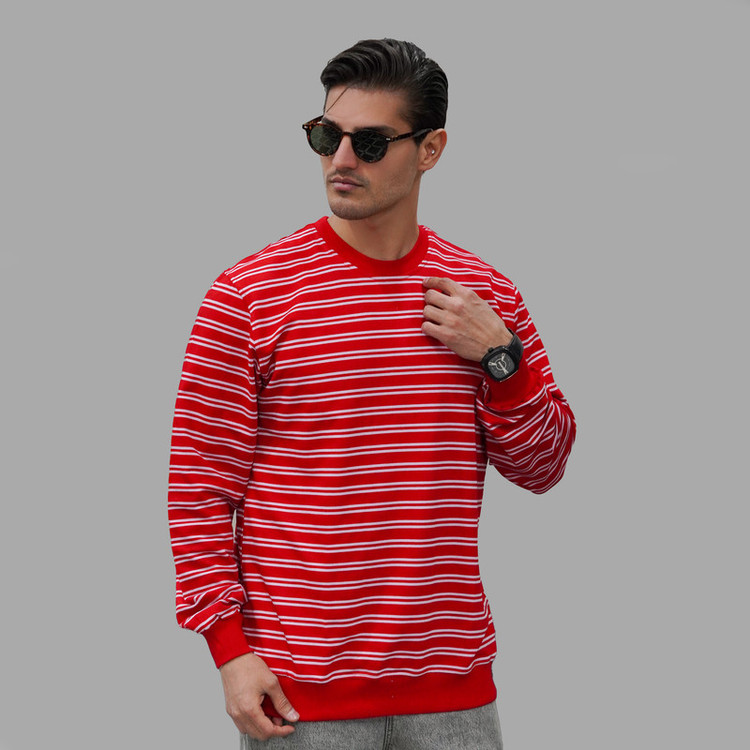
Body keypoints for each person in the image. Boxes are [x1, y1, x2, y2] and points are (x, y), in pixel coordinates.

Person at [168, 38, 576, 749]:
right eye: (326, 136)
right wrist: (229, 650)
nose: (342, 159)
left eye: (371, 141)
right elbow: (199, 489)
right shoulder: (251, 296)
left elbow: (544, 468)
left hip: (453, 690)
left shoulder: (483, 299)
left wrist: (501, 359)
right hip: (297, 695)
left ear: (430, 149)